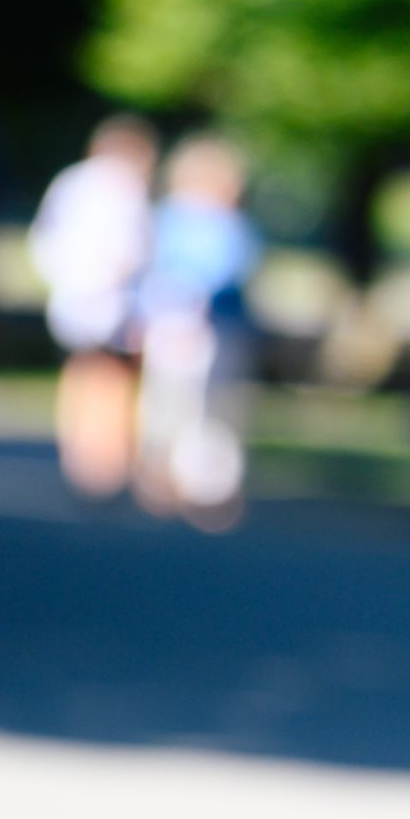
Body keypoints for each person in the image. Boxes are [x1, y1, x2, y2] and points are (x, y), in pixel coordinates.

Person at [133, 134, 260, 527]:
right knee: (175, 405)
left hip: (209, 328)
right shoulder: (176, 219)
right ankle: (168, 478)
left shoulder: (214, 224)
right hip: (181, 327)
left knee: (205, 407)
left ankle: (205, 484)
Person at [29, 114, 157, 499]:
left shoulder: (71, 182)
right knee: (112, 378)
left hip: (75, 298)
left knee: (82, 373)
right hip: (109, 301)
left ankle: (80, 454)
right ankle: (104, 461)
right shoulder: (123, 187)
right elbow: (135, 250)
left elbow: (44, 241)